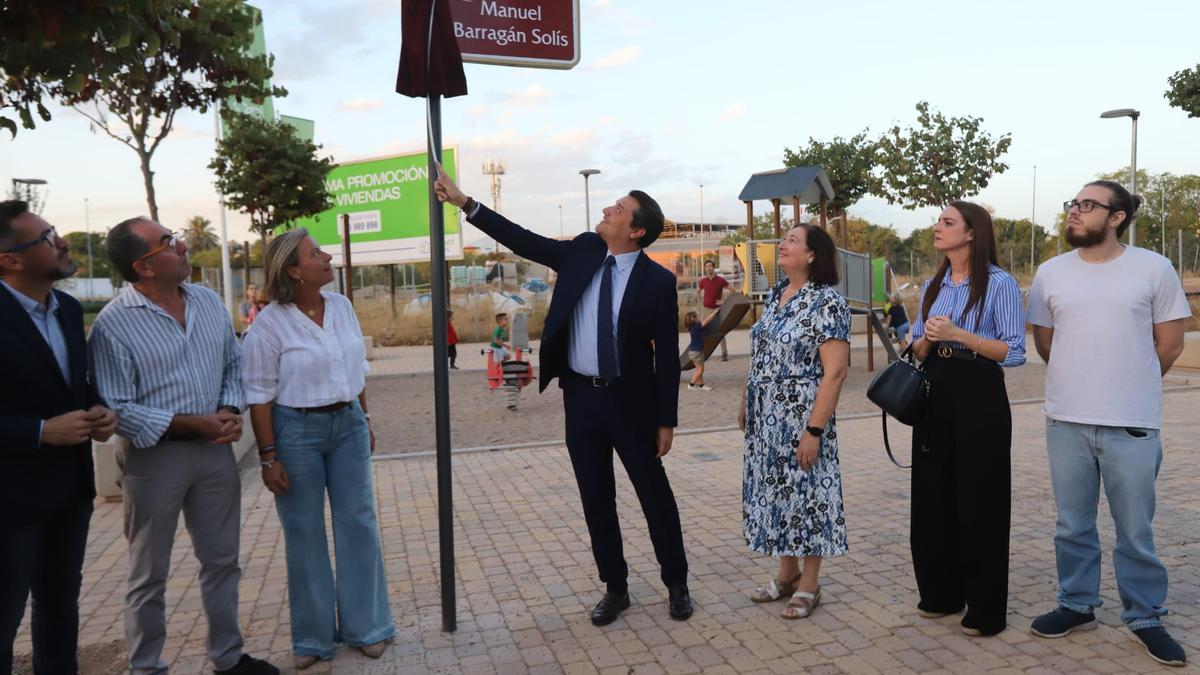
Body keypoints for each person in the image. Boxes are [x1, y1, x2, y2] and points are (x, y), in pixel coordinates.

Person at [434, 165, 693, 626]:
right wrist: (466, 203)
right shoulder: (583, 251)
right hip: (582, 401)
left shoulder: (657, 282)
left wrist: (665, 419)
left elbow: (667, 358)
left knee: (654, 496)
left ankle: (676, 582)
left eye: (619, 209)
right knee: (596, 497)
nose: (608, 209)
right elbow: (525, 240)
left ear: (635, 232)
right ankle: (615, 588)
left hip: (631, 404)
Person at [89, 217, 277, 675]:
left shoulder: (209, 302)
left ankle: (228, 657)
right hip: (155, 460)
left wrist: (230, 410)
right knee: (148, 573)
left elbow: (234, 364)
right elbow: (118, 407)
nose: (183, 245)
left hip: (215, 455)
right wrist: (192, 422)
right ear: (144, 266)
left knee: (222, 560)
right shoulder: (113, 325)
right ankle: (147, 666)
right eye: (168, 243)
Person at [1026, 181, 1190, 667]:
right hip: (1066, 420)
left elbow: (1170, 345)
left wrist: (1128, 382)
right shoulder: (1050, 272)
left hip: (1132, 423)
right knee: (1071, 524)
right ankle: (1077, 605)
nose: (1074, 212)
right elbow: (1046, 343)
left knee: (1135, 529)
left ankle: (1144, 616)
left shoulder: (1154, 269)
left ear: (1117, 217)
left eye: (1087, 205)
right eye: (1073, 203)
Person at [242, 229, 393, 670]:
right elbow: (258, 394)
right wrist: (269, 457)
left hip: (346, 424)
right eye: (315, 253)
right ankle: (312, 639)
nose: (326, 256)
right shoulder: (269, 324)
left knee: (358, 524)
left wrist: (363, 419)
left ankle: (368, 628)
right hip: (295, 432)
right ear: (293, 270)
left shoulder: (342, 307)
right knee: (304, 533)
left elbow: (356, 371)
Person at [0, 201, 117, 675]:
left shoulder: (67, 309)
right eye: (48, 237)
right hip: (9, 499)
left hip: (69, 490)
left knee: (60, 608)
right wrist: (41, 432)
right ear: (11, 259)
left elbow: (72, 383)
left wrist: (98, 406)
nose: (63, 241)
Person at [907, 201, 1025, 637]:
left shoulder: (999, 284)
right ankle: (940, 594)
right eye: (939, 221)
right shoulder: (932, 283)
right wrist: (920, 342)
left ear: (972, 233)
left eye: (947, 222)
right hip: (935, 390)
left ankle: (985, 608)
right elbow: (919, 341)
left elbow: (1014, 352)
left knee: (981, 499)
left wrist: (960, 335)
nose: (938, 228)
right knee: (933, 494)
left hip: (979, 392)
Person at [739, 224, 850, 620]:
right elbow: (761, 354)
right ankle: (787, 574)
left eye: (791, 241)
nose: (782, 245)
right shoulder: (776, 295)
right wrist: (746, 399)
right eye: (783, 239)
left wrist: (814, 430)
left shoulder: (827, 302)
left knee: (810, 496)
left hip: (803, 415)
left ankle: (810, 583)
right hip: (766, 418)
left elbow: (835, 372)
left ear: (812, 256)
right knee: (777, 494)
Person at [698, 259, 730, 360]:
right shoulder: (702, 281)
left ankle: (724, 354)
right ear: (705, 268)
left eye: (710, 265)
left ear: (713, 267)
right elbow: (697, 292)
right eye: (707, 266)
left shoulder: (720, 280)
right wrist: (702, 299)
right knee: (703, 331)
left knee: (720, 331)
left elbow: (733, 290)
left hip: (717, 310)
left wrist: (723, 302)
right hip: (706, 310)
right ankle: (702, 354)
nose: (709, 267)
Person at [683, 310, 715, 391]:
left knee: (699, 369)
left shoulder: (692, 328)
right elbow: (707, 321)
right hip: (696, 352)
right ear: (694, 319)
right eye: (697, 316)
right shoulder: (697, 327)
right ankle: (691, 385)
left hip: (694, 351)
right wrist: (714, 313)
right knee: (701, 370)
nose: (699, 317)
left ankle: (701, 385)